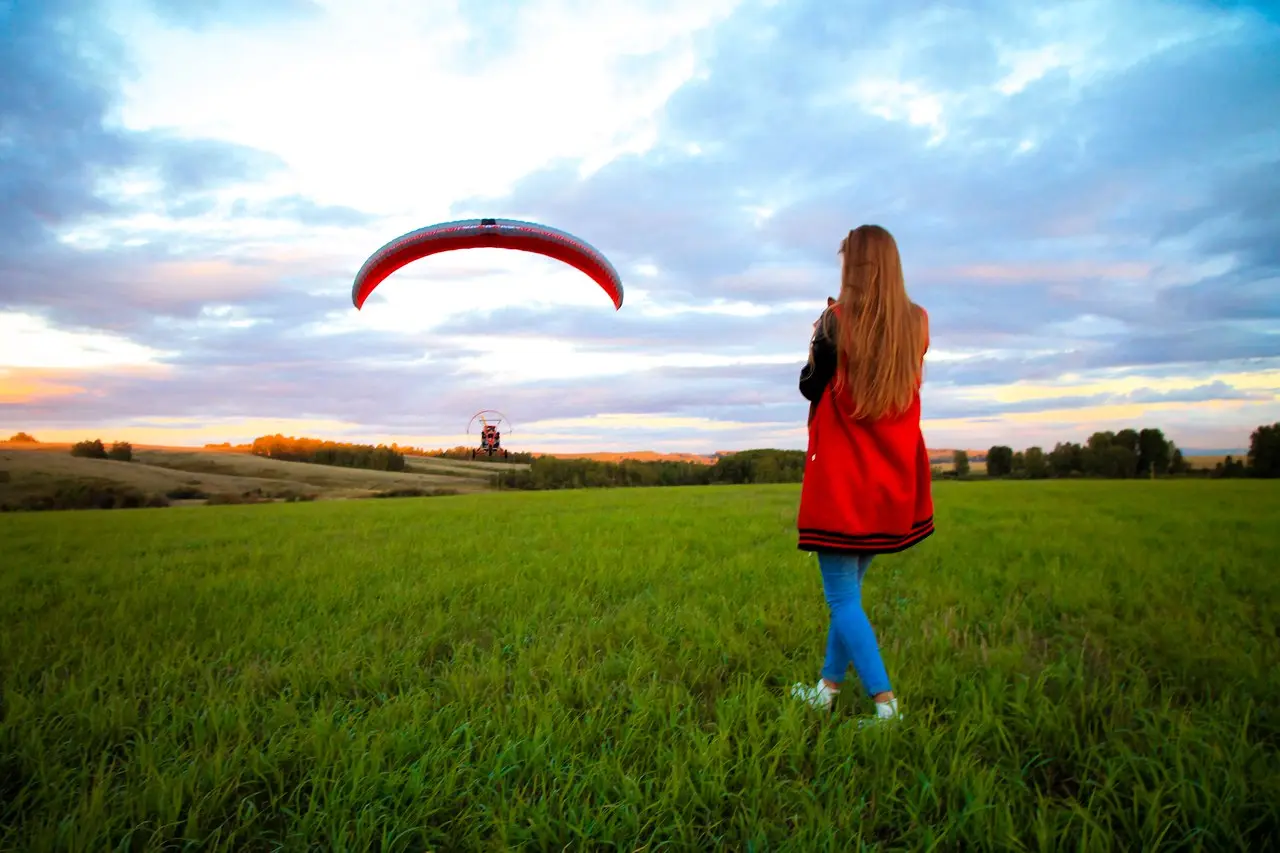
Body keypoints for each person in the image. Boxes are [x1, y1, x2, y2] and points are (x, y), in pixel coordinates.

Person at [790, 224, 934, 728]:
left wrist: (820, 333)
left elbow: (811, 387)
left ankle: (885, 704)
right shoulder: (917, 323)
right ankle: (825, 690)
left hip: (842, 481)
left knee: (842, 599)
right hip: (890, 482)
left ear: (853, 266)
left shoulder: (836, 320)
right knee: (848, 597)